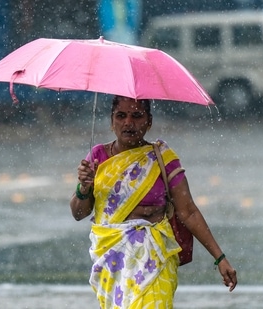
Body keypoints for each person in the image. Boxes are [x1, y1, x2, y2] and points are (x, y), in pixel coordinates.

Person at [70, 95, 237, 308]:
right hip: (113, 263)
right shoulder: (98, 157)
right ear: (112, 122)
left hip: (155, 260)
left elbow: (189, 212)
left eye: (137, 116)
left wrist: (219, 257)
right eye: (121, 116)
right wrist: (84, 187)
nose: (128, 123)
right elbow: (78, 213)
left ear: (149, 121)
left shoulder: (162, 158)